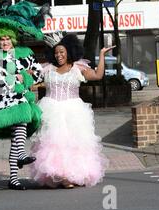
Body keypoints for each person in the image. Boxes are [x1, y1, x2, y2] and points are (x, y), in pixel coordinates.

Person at [0, 0, 49, 190]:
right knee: (18, 128)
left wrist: (25, 77)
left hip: (19, 99)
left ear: (13, 39)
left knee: (18, 131)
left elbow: (38, 72)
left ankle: (13, 178)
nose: (4, 42)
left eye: (7, 39)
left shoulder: (25, 53)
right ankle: (20, 158)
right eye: (1, 39)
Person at [30, 32, 111, 189]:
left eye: (62, 52)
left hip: (74, 111)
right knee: (53, 144)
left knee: (74, 144)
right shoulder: (47, 69)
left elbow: (97, 75)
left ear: (69, 51)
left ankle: (72, 175)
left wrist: (101, 54)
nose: (59, 55)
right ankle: (57, 175)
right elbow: (28, 75)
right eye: (56, 52)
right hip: (51, 109)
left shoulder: (78, 68)